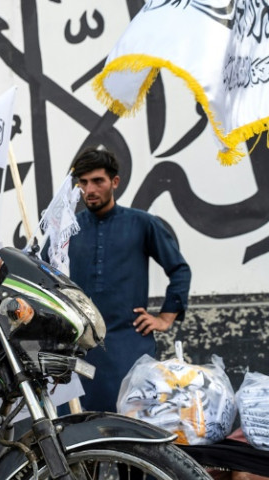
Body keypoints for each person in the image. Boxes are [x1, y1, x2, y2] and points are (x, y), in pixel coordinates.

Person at [48, 147, 191, 413]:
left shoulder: (143, 224)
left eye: (98, 181)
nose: (89, 189)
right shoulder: (66, 230)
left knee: (130, 425)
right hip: (78, 348)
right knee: (77, 430)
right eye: (83, 182)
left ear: (114, 182)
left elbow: (180, 269)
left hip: (129, 345)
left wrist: (165, 318)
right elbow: (42, 271)